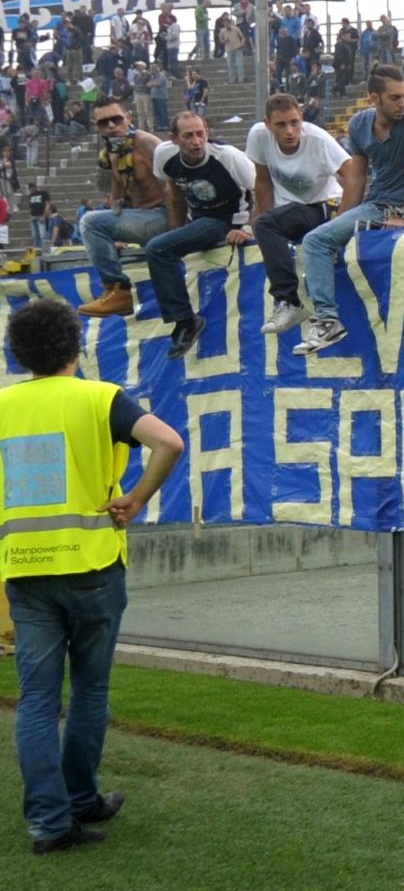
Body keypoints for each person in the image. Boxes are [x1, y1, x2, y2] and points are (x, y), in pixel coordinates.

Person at [2, 297, 183, 855]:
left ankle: (47, 824)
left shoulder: (4, 405)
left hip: (24, 571)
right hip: (92, 567)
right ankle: (81, 799)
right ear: (75, 349)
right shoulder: (100, 398)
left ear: (18, 353)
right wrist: (134, 498)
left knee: (35, 700)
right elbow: (168, 442)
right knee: (88, 690)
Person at [295, 65, 404, 355]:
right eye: (395, 98)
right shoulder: (358, 124)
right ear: (374, 98)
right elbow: (356, 179)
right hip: (373, 205)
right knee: (320, 240)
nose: (403, 103)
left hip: (396, 208)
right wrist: (341, 220)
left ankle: (327, 320)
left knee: (314, 241)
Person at [146, 113, 257, 359]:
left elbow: (262, 189)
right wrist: (175, 232)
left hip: (227, 221)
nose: (197, 141)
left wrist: (248, 228)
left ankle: (186, 321)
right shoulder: (164, 155)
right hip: (197, 219)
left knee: (158, 249)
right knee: (162, 245)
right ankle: (183, 318)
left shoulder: (228, 157)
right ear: (174, 139)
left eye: (201, 134)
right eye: (188, 136)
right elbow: (173, 193)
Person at [248, 93, 348, 337]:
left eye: (294, 122)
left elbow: (353, 173)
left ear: (302, 117)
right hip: (290, 210)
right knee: (264, 225)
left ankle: (290, 301)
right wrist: (259, 225)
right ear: (267, 124)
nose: (290, 131)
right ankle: (290, 300)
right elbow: (262, 181)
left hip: (324, 205)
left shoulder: (318, 140)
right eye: (281, 125)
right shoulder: (258, 136)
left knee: (266, 224)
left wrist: (344, 219)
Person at [75, 97, 166, 318]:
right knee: (94, 220)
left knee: (90, 222)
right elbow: (116, 196)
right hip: (141, 218)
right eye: (104, 123)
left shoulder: (147, 142)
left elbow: (175, 186)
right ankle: (115, 292)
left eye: (116, 119)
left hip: (165, 218)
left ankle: (117, 290)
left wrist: (180, 231)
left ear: (128, 118)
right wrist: (115, 232)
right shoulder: (111, 151)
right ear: (97, 127)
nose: (111, 126)